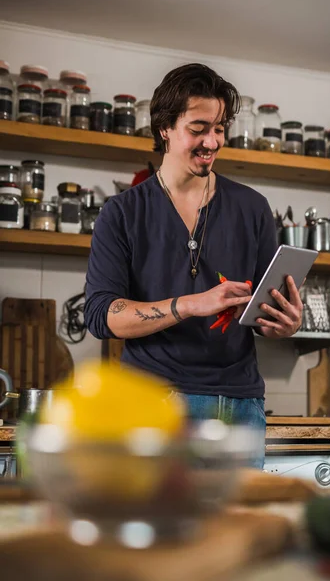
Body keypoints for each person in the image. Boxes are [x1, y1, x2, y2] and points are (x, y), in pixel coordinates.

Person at [84, 63, 303, 468]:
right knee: (158, 529)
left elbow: (263, 310)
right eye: (198, 128)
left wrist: (284, 323)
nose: (212, 141)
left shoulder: (253, 208)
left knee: (237, 531)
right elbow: (101, 316)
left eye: (220, 128)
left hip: (240, 407)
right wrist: (190, 303)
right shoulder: (122, 213)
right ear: (165, 127)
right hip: (154, 404)